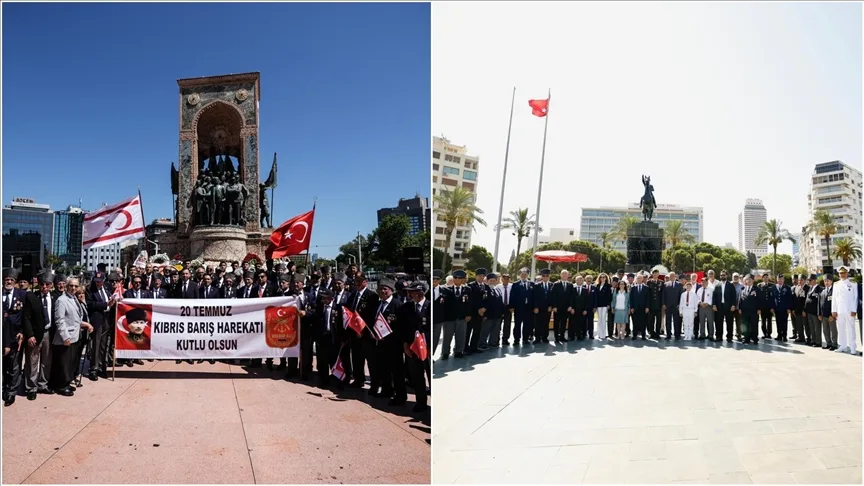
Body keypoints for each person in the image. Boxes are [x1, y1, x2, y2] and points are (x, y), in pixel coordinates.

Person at [48, 278, 92, 396]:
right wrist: (65, 337)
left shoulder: (74, 298)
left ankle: (67, 382)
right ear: (67, 286)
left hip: (75, 336)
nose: (73, 288)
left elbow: (75, 319)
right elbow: (59, 320)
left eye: (76, 286)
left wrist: (87, 325)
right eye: (71, 286)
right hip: (66, 337)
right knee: (64, 363)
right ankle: (61, 386)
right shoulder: (62, 300)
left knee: (70, 363)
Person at [21, 272, 55, 400]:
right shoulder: (32, 297)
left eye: (47, 284)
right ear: (38, 285)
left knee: (46, 360)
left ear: (51, 285)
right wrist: (30, 335)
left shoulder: (54, 297)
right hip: (35, 335)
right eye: (42, 284)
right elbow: (26, 317)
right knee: (32, 361)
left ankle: (43, 384)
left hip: (49, 333)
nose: (44, 287)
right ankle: (31, 387)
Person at [400, 281, 430, 413]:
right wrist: (406, 344)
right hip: (413, 348)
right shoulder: (406, 308)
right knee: (417, 376)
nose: (409, 294)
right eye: (408, 292)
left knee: (430, 375)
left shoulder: (430, 306)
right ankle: (420, 402)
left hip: (427, 348)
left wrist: (429, 346)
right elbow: (404, 327)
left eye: (412, 292)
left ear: (421, 293)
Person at [348, 273, 379, 387]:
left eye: (360, 281)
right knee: (356, 358)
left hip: (366, 334)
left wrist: (363, 330)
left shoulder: (372, 296)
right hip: (354, 332)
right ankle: (358, 379)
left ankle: (374, 383)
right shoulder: (353, 295)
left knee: (370, 360)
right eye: (356, 281)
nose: (357, 283)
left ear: (365, 282)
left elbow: (372, 316)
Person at [3, 268, 27, 406]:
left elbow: (25, 316)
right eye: (6, 279)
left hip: (15, 335)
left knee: (14, 366)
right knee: (3, 365)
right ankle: (3, 388)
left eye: (11, 279)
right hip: (2, 335)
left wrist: (23, 331)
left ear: (15, 282)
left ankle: (11, 392)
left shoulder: (21, 294)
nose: (9, 282)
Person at [372, 279, 400, 402]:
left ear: (391, 290)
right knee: (383, 368)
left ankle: (399, 395)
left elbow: (399, 326)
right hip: (379, 343)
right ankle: (386, 390)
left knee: (396, 371)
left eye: (385, 289)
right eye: (380, 289)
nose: (383, 291)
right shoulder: (378, 304)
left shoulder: (397, 305)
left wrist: (387, 336)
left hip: (393, 344)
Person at [437, 270, 463, 360]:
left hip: (461, 317)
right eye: (455, 278)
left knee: (460, 336)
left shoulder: (466, 289)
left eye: (459, 278)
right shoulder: (445, 290)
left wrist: (468, 315)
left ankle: (458, 351)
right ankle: (445, 353)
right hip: (449, 318)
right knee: (447, 336)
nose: (457, 280)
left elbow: (469, 304)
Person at [833, 266, 858, 355]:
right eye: (841, 273)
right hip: (839, 310)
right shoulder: (836, 284)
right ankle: (843, 346)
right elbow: (834, 298)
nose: (842, 275)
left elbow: (855, 297)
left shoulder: (853, 284)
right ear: (838, 274)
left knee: (851, 329)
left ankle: (852, 347)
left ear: (847, 273)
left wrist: (854, 309)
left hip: (849, 310)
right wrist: (834, 310)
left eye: (844, 273)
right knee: (841, 328)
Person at [465, 268, 489, 353]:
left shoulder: (486, 287)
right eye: (480, 276)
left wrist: (484, 308)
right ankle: (465, 348)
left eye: (483, 276)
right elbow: (470, 300)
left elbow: (488, 300)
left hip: (481, 313)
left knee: (477, 331)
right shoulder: (470, 286)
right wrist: (478, 309)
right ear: (476, 276)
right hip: (472, 312)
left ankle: (474, 347)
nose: (481, 277)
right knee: (468, 331)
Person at [479, 273, 504, 349]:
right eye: (491, 280)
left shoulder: (497, 289)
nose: (492, 282)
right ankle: (482, 343)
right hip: (488, 314)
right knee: (485, 330)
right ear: (487, 281)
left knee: (495, 330)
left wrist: (502, 312)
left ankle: (493, 343)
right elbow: (484, 302)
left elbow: (500, 301)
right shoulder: (484, 289)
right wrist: (484, 314)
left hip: (497, 314)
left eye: (494, 280)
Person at [509, 268, 533, 346]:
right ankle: (516, 339)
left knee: (527, 324)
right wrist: (511, 306)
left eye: (525, 274)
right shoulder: (515, 284)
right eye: (522, 274)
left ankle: (525, 339)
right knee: (517, 324)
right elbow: (512, 296)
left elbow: (534, 296)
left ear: (527, 275)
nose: (523, 276)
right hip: (518, 308)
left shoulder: (531, 284)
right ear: (520, 275)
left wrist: (534, 306)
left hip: (528, 308)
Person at [713, 270, 738, 342]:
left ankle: (729, 337)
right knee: (718, 322)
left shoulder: (731, 285)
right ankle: (718, 336)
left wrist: (733, 305)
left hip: (729, 307)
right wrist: (714, 305)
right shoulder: (717, 285)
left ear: (727, 276)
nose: (722, 276)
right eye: (721, 275)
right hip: (719, 307)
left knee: (729, 322)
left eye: (723, 275)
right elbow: (714, 296)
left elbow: (734, 296)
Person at [550, 271, 573, 343]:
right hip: (557, 308)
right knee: (556, 323)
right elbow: (553, 296)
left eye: (566, 274)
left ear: (568, 275)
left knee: (564, 323)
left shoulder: (570, 285)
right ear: (560, 275)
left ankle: (562, 337)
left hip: (566, 308)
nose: (564, 275)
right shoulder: (556, 284)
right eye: (563, 274)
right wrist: (554, 306)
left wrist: (570, 306)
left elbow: (571, 296)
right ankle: (556, 337)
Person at [739, 275, 761, 345]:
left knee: (754, 325)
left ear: (753, 281)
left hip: (754, 311)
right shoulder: (743, 289)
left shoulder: (757, 289)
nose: (748, 281)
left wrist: (759, 309)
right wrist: (740, 308)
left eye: (750, 280)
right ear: (745, 281)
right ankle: (746, 338)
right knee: (745, 325)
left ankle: (755, 339)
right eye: (747, 280)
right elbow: (740, 300)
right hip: (745, 311)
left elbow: (760, 300)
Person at [533, 269, 552, 343]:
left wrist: (551, 306)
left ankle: (545, 337)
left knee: (546, 323)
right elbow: (534, 297)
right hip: (539, 308)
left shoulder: (552, 285)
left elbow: (553, 297)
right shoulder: (537, 285)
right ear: (541, 277)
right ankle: (537, 338)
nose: (545, 277)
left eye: (547, 276)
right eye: (544, 276)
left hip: (548, 308)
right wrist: (535, 307)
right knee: (537, 323)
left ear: (549, 276)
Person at [803, 274, 823, 348]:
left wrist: (819, 313)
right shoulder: (810, 288)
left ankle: (818, 342)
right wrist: (805, 309)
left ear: (814, 280)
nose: (808, 281)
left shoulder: (819, 289)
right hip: (809, 312)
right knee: (811, 327)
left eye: (810, 280)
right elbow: (807, 300)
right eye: (808, 280)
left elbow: (820, 302)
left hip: (815, 312)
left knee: (817, 328)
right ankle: (813, 340)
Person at [662, 272, 683, 340]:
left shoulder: (679, 284)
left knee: (676, 321)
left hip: (676, 306)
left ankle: (677, 335)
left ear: (675, 277)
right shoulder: (665, 284)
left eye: (673, 276)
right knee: (668, 321)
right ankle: (668, 335)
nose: (672, 277)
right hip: (667, 306)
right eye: (670, 276)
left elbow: (681, 295)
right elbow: (663, 295)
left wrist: (680, 304)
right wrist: (664, 304)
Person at [773, 274, 794, 342]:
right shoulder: (774, 287)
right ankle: (779, 335)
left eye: (781, 279)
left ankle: (784, 336)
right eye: (779, 279)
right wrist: (772, 307)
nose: (780, 280)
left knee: (784, 322)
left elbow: (790, 298)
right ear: (777, 280)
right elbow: (772, 298)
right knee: (778, 322)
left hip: (785, 309)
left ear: (783, 280)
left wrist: (789, 308)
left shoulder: (787, 287)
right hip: (777, 308)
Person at [820, 274, 838, 351]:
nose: (826, 282)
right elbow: (820, 303)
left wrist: (832, 315)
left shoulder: (834, 291)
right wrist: (819, 314)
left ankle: (834, 344)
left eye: (828, 281)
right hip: (824, 315)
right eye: (825, 281)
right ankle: (828, 343)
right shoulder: (823, 291)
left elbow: (835, 303)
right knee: (825, 330)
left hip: (831, 315)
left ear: (831, 281)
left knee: (833, 330)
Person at [629, 274, 650, 340]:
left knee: (643, 322)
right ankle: (634, 335)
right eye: (638, 278)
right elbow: (631, 298)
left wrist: (647, 307)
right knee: (635, 322)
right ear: (636, 279)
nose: (639, 279)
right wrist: (631, 307)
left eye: (640, 278)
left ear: (642, 279)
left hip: (643, 308)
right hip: (635, 308)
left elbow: (648, 298)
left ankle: (643, 335)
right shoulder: (633, 288)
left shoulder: (646, 287)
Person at [758, 273, 776, 339]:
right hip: (762, 307)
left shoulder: (772, 285)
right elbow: (758, 297)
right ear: (762, 278)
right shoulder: (759, 285)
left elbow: (773, 297)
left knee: (769, 321)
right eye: (764, 277)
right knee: (763, 321)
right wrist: (759, 308)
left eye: (767, 277)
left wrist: (772, 307)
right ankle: (764, 333)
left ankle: (769, 334)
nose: (765, 278)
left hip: (769, 307)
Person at [646, 269, 664, 339]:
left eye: (656, 273)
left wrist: (663, 304)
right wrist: (647, 305)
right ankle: (651, 333)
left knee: (659, 320)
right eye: (654, 273)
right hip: (651, 305)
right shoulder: (649, 282)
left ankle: (657, 333)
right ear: (652, 274)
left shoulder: (661, 282)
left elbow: (662, 294)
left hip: (659, 305)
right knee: (651, 320)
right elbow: (648, 295)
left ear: (658, 274)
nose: (655, 275)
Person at [594, 273, 612, 340]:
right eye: (601, 277)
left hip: (605, 305)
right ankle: (599, 333)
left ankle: (603, 334)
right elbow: (596, 296)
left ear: (606, 278)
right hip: (598, 305)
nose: (602, 278)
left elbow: (609, 296)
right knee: (599, 319)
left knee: (603, 319)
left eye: (604, 277)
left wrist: (608, 304)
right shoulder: (597, 285)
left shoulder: (608, 286)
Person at [498, 274, 513, 346]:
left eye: (507, 279)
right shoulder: (498, 287)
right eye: (504, 278)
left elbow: (514, 297)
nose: (506, 280)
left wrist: (512, 307)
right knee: (498, 324)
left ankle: (505, 339)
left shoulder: (512, 286)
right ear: (502, 279)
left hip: (508, 307)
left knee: (507, 324)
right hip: (500, 307)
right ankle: (496, 339)